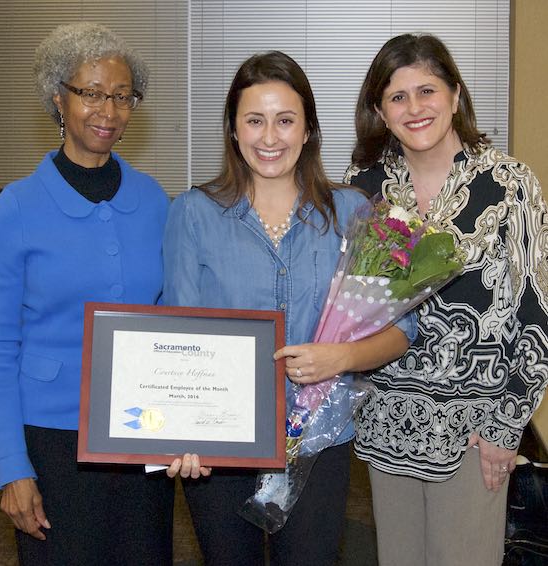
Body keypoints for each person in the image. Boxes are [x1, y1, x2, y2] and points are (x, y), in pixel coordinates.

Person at [163, 50, 416, 566]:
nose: (270, 137)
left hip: (319, 441)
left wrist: (340, 359)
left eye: (285, 120)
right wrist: (180, 432)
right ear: (234, 130)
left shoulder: (353, 213)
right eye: (254, 121)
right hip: (220, 444)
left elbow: (402, 327)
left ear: (308, 130)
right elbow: (178, 336)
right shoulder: (193, 214)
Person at [344, 33, 548, 566]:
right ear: (380, 111)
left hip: (476, 431)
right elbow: (348, 306)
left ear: (455, 95)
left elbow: (536, 315)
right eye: (397, 96)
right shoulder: (363, 189)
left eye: (427, 90)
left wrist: (508, 427)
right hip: (386, 420)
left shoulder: (510, 186)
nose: (415, 108)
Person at [0, 22, 173, 565]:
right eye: (90, 93)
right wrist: (13, 468)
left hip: (142, 434)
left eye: (121, 96)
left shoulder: (154, 200)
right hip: (51, 440)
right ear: (58, 98)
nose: (107, 111)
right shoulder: (17, 208)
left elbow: (169, 322)